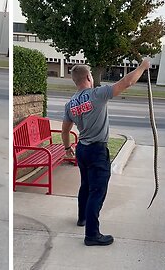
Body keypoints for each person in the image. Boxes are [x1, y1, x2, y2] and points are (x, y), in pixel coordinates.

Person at [61, 59, 150, 246]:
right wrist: (142, 67)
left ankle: (82, 218)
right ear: (88, 77)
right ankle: (92, 234)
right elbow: (127, 82)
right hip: (97, 150)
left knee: (86, 185)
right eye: (91, 74)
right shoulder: (97, 94)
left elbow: (65, 130)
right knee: (97, 191)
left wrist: (68, 148)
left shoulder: (70, 103)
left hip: (82, 150)